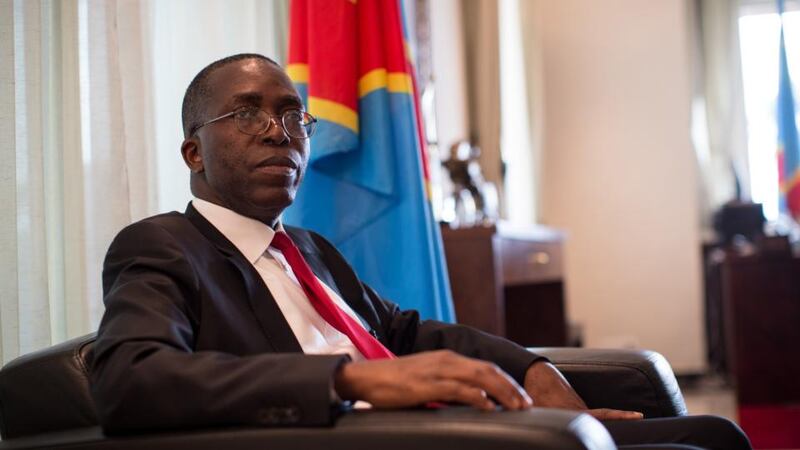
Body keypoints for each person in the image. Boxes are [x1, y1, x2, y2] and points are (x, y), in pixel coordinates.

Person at [90, 54, 750, 450]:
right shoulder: (162, 247)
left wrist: (530, 368)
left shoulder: (310, 248)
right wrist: (346, 378)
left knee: (712, 435)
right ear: (193, 152)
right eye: (247, 114)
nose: (279, 133)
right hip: (364, 439)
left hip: (448, 425)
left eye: (294, 116)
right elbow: (130, 382)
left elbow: (404, 330)